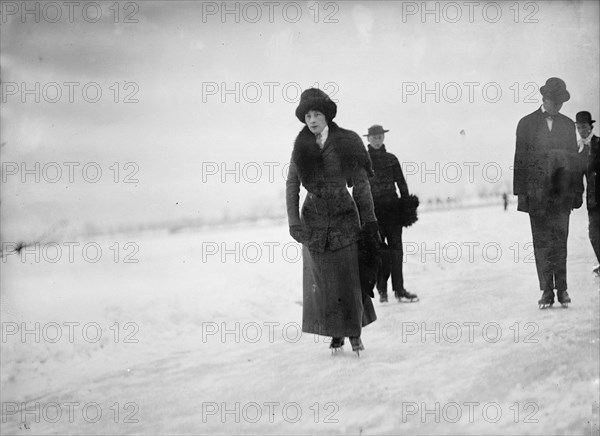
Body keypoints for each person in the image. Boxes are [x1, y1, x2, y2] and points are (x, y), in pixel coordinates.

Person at [286, 88, 379, 354]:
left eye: (316, 114)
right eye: (307, 115)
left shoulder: (347, 141)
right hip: (313, 222)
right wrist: (294, 221)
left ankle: (354, 333)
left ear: (326, 115)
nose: (312, 120)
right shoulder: (301, 146)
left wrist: (369, 220)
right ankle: (335, 333)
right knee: (323, 282)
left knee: (348, 279)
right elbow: (292, 183)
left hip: (344, 219)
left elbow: (361, 184)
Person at [513, 77, 584, 309]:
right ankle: (546, 291)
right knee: (541, 244)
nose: (558, 106)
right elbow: (520, 161)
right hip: (537, 196)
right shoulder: (526, 123)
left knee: (560, 242)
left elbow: (574, 161)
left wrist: (577, 192)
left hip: (562, 195)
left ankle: (562, 289)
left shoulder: (567, 124)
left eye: (561, 102)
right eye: (555, 101)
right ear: (544, 98)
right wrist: (521, 194)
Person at [364, 125, 419, 303]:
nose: (378, 140)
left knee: (396, 251)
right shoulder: (363, 161)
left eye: (380, 137)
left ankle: (399, 289)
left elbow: (402, 184)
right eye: (374, 137)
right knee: (380, 252)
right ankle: (382, 290)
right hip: (374, 214)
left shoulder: (391, 159)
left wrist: (406, 207)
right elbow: (359, 187)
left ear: (383, 138)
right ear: (368, 139)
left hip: (393, 211)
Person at [575, 111, 600, 276]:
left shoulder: (598, 143)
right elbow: (578, 176)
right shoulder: (579, 148)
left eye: (584, 126)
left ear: (590, 127)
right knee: (593, 235)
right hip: (593, 200)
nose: (582, 130)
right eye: (578, 127)